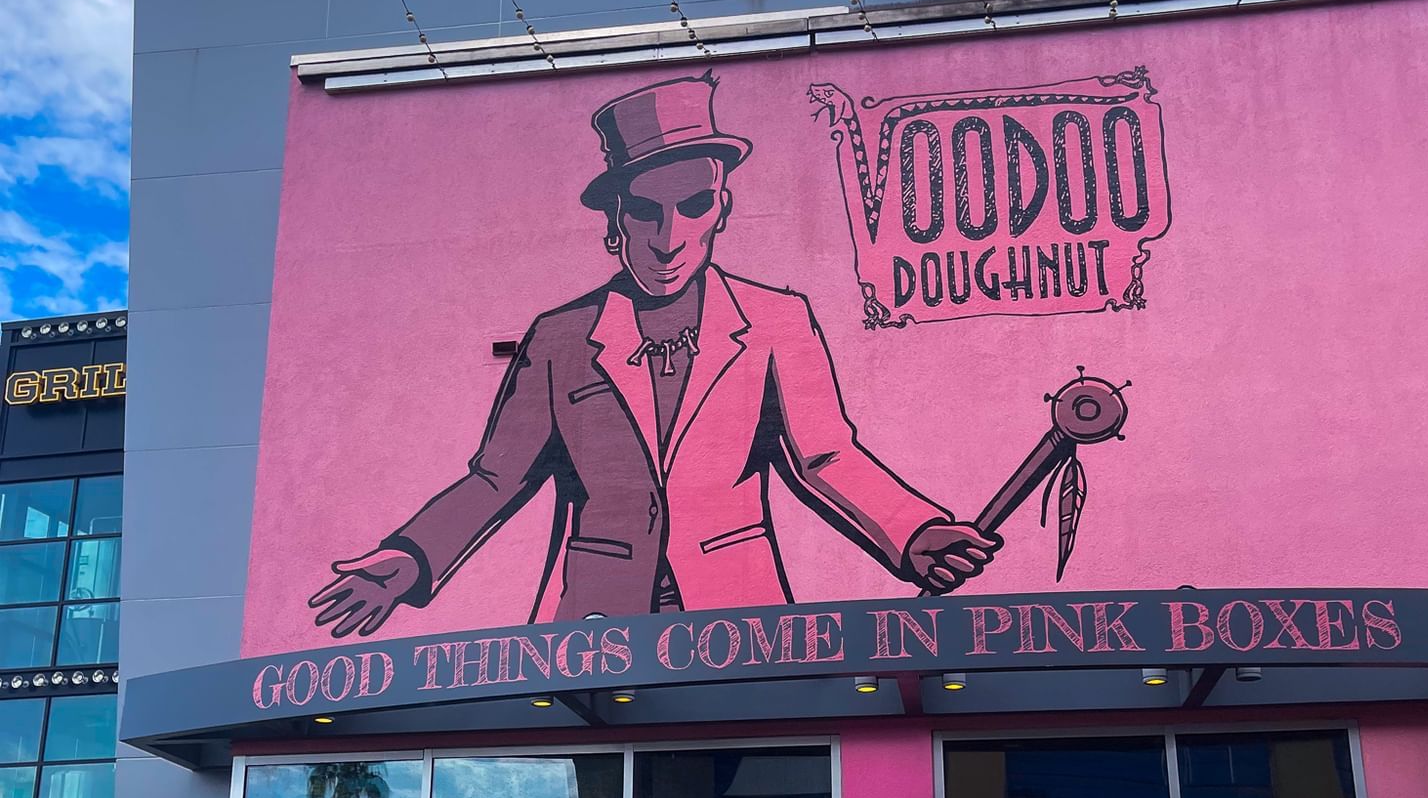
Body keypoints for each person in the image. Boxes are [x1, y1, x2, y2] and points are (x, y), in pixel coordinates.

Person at [309, 72, 999, 636]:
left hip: (739, 617)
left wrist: (916, 535)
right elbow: (495, 478)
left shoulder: (776, 320)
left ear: (723, 205)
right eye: (646, 210)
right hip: (595, 621)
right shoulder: (559, 336)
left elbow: (826, 457)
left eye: (694, 204)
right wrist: (409, 558)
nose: (669, 236)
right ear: (616, 215)